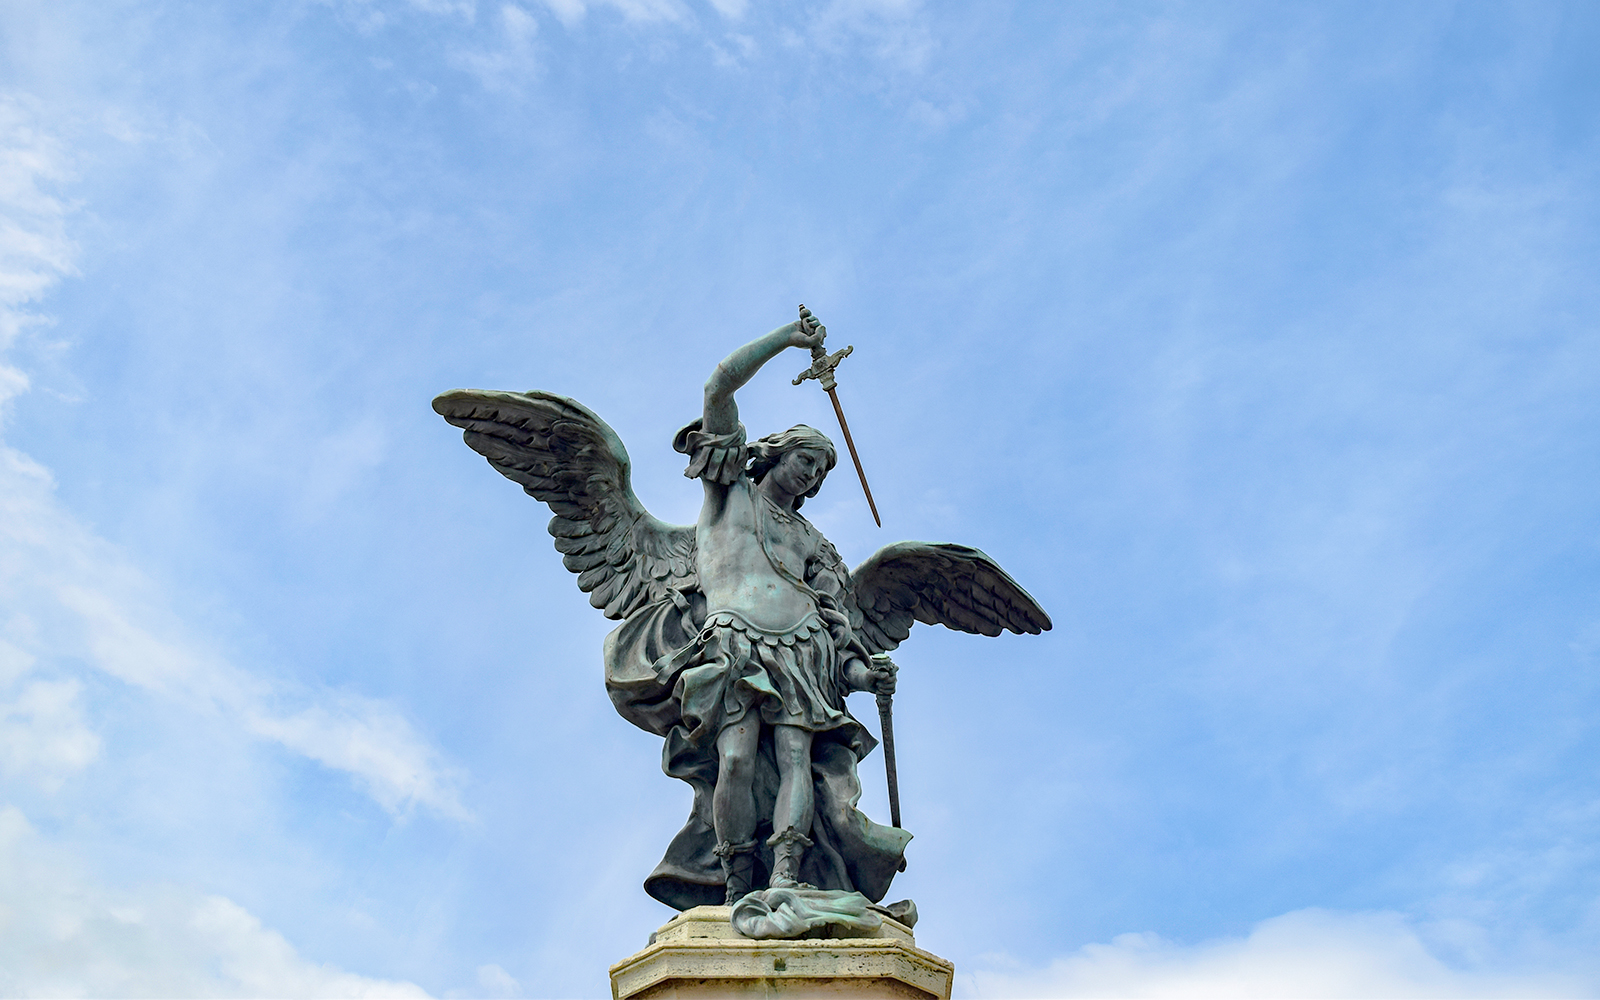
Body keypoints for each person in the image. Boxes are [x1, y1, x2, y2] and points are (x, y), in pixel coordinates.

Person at [603, 309, 908, 909]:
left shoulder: (813, 543)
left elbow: (838, 630)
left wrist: (865, 673)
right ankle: (736, 872)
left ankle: (789, 870)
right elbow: (718, 385)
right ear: (778, 454)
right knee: (735, 758)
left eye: (822, 472)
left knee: (797, 757)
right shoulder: (728, 492)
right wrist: (787, 340)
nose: (814, 478)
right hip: (732, 642)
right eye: (807, 461)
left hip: (802, 651)